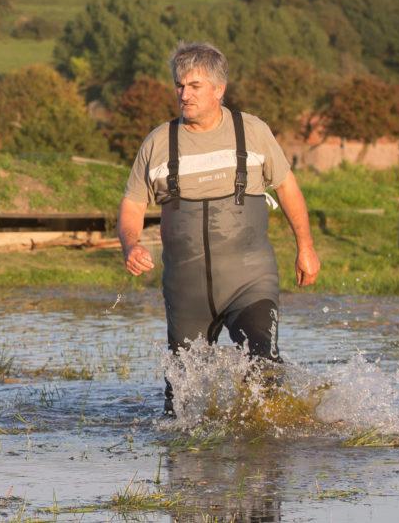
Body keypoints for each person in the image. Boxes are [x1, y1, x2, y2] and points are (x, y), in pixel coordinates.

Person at [118, 42, 320, 416]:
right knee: (181, 399)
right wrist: (131, 246)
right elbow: (132, 204)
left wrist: (305, 246)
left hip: (250, 282)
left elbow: (288, 188)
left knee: (264, 365)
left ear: (218, 89)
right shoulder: (159, 142)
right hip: (187, 291)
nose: (184, 94)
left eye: (194, 86)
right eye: (179, 85)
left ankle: (263, 453)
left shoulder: (253, 131)